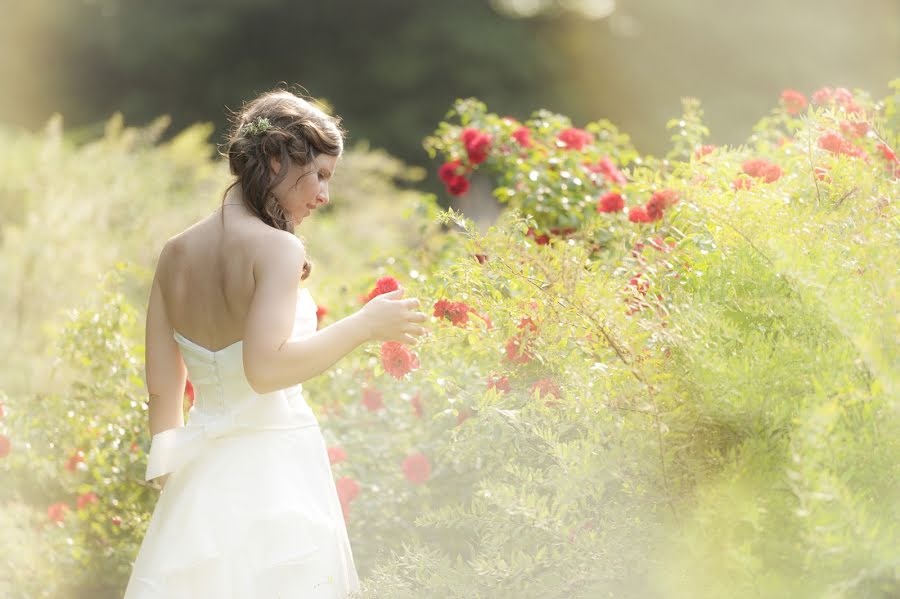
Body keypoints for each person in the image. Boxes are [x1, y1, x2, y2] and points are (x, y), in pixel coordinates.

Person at [122, 87, 428, 598]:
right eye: (321, 176)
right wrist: (366, 325)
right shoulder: (278, 248)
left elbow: (162, 387)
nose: (325, 196)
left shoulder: (174, 253)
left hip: (199, 478)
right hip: (274, 475)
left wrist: (172, 478)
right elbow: (264, 370)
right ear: (274, 159)